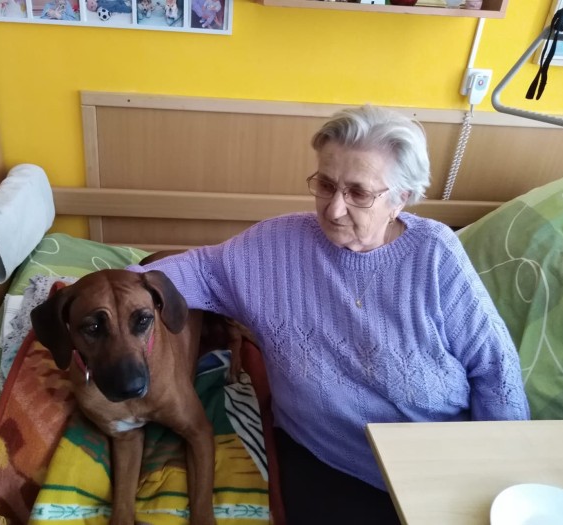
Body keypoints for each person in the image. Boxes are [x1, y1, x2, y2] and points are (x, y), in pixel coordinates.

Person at [128, 105, 530, 524]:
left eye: (358, 193)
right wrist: (100, 298)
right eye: (325, 184)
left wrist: (502, 477)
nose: (334, 209)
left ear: (400, 199)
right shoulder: (274, 247)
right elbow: (188, 274)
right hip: (330, 461)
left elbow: (495, 369)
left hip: (440, 462)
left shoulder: (435, 254)